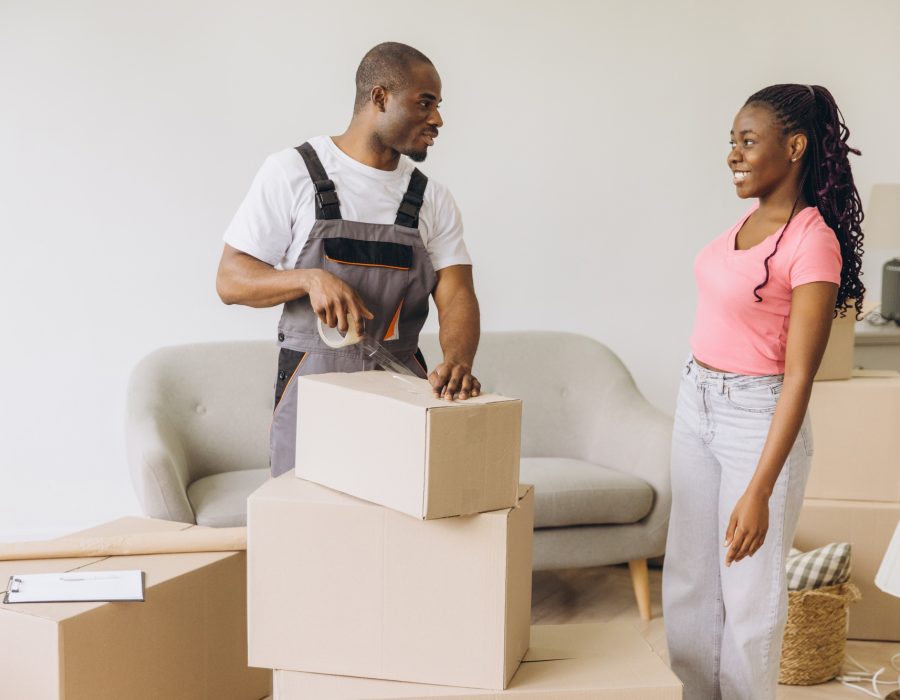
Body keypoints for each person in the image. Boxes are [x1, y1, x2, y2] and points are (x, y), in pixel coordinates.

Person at [662, 84, 865, 700]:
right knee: (689, 581)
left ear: (796, 146)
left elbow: (800, 376)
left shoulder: (813, 241)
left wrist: (759, 490)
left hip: (757, 416)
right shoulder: (748, 221)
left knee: (749, 593)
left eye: (748, 141)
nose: (733, 154)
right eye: (732, 141)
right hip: (695, 400)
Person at [216, 42, 481, 477]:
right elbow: (231, 280)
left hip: (402, 394)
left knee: (401, 526)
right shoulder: (292, 172)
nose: (437, 119)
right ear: (380, 98)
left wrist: (459, 362)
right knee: (308, 527)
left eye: (438, 105)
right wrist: (310, 279)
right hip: (312, 392)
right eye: (425, 103)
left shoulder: (432, 198)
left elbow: (457, 296)